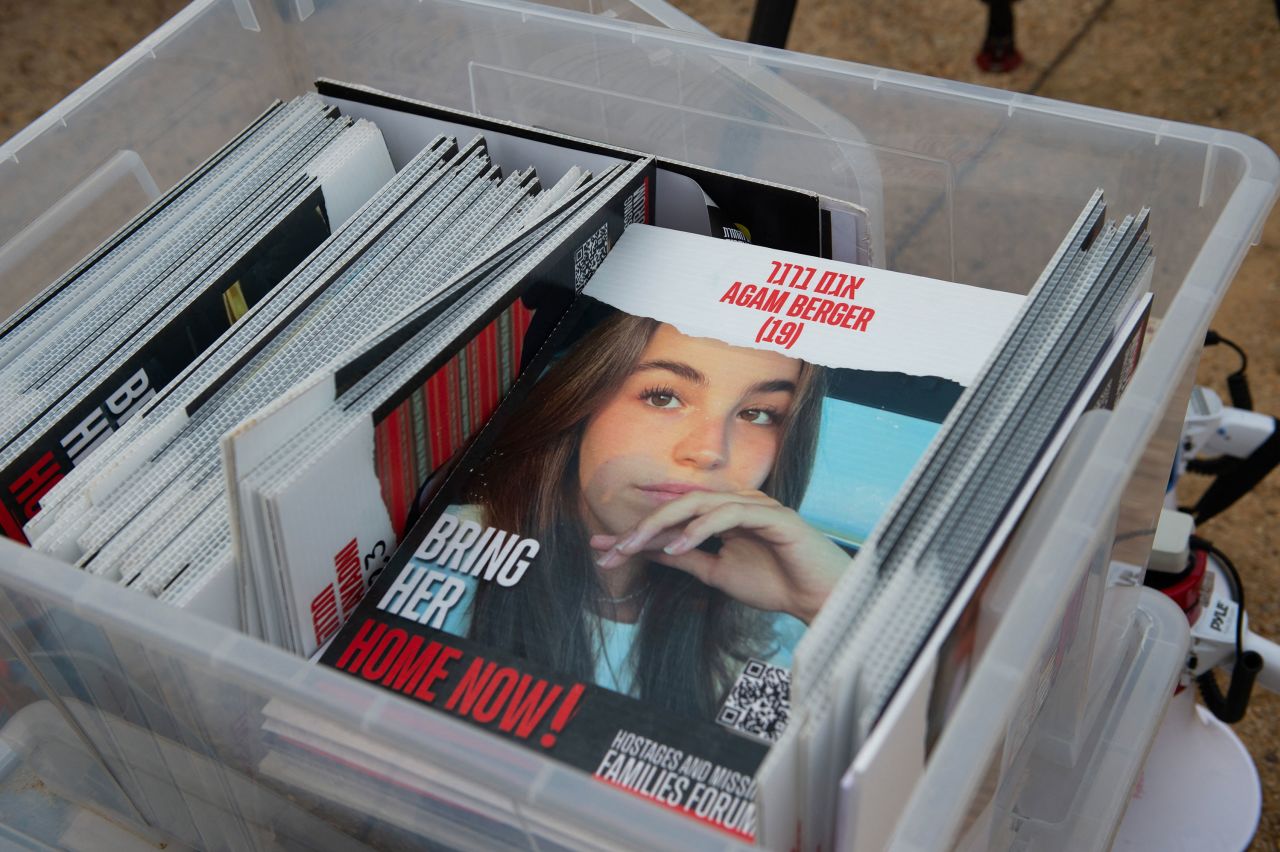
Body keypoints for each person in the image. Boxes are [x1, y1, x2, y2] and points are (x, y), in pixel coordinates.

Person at [448, 311, 851, 719]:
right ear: (580, 399)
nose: (711, 450)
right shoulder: (450, 558)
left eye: (758, 414)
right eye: (662, 397)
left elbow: (754, 759)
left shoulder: (768, 626)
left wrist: (828, 603)